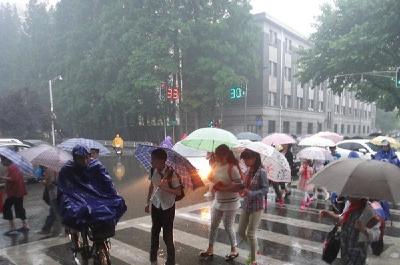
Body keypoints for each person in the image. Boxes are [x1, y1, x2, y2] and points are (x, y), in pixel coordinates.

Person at [58, 145, 126, 250]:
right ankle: (75, 239)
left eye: (86, 157)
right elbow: (63, 189)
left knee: (116, 203)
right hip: (77, 198)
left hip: (97, 196)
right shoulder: (67, 169)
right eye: (80, 158)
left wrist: (113, 194)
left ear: (89, 156)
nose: (84, 161)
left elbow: (107, 182)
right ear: (75, 158)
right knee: (72, 211)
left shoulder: (96, 165)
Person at [200, 144, 244, 261]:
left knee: (228, 226)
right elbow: (211, 177)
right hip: (218, 201)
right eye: (216, 155)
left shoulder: (232, 167)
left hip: (231, 202)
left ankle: (234, 249)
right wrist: (212, 179)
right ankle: (210, 249)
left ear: (225, 155)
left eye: (218, 156)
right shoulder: (216, 165)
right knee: (213, 225)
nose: (217, 158)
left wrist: (223, 187)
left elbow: (239, 185)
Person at [145, 148, 182, 265]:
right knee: (154, 233)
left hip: (168, 208)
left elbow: (178, 192)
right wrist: (148, 202)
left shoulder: (172, 174)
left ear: (162, 161)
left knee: (167, 236)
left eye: (153, 160)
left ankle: (171, 261)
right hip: (156, 205)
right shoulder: (152, 171)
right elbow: (151, 186)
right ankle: (153, 260)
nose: (151, 162)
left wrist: (164, 187)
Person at [320, 198, 380, 265]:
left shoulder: (369, 210)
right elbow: (343, 219)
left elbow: (376, 234)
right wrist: (330, 215)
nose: (349, 197)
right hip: (345, 248)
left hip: (358, 253)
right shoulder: (349, 205)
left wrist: (363, 229)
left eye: (352, 195)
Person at [238, 149, 268, 265]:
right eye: (244, 159)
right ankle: (255, 248)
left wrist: (250, 193)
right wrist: (241, 189)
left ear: (255, 158)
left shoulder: (262, 172)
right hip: (246, 204)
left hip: (257, 206)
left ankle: (254, 259)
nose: (245, 161)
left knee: (251, 233)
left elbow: (265, 190)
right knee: (240, 232)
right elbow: (244, 185)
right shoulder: (248, 170)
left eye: (247, 159)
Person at [1, 155, 28, 234]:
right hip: (15, 192)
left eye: (3, 160)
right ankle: (21, 225)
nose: (2, 162)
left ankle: (20, 226)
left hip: (16, 192)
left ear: (7, 160)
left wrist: (3, 178)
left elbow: (14, 179)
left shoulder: (12, 167)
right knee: (15, 208)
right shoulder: (13, 167)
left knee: (12, 208)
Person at [38, 167, 62, 236]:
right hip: (57, 193)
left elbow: (50, 183)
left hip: (54, 194)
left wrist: (44, 182)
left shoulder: (49, 170)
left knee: (57, 214)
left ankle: (59, 232)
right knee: (53, 213)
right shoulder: (57, 169)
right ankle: (46, 229)